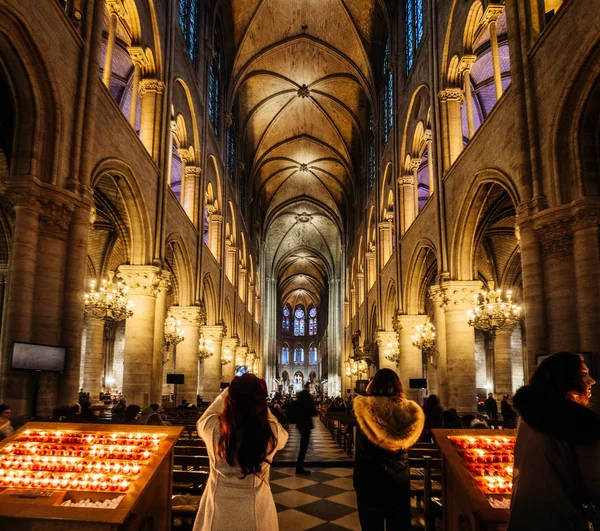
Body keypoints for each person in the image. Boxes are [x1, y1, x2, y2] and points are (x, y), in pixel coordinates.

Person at [508, 352, 600, 531]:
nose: (591, 380)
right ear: (564, 378)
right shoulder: (579, 422)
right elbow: (595, 480)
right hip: (562, 518)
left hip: (524, 515)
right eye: (583, 373)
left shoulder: (529, 416)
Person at [193, 373, 288, 531]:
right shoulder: (271, 432)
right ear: (261, 401)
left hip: (219, 509)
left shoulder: (214, 427)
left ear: (230, 398)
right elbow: (276, 426)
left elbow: (206, 416)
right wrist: (261, 406)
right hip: (257, 510)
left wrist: (229, 390)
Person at [350, 368, 425, 530]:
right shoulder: (409, 412)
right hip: (397, 479)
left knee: (371, 526)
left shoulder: (363, 409)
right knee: (398, 524)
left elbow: (359, 443)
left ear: (373, 384)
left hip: (368, 478)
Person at [294, 382, 317, 475]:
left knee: (303, 445)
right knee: (303, 446)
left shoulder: (301, 395)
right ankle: (299, 467)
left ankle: (300, 466)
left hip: (301, 423)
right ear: (308, 387)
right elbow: (311, 410)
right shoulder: (307, 396)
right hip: (305, 423)